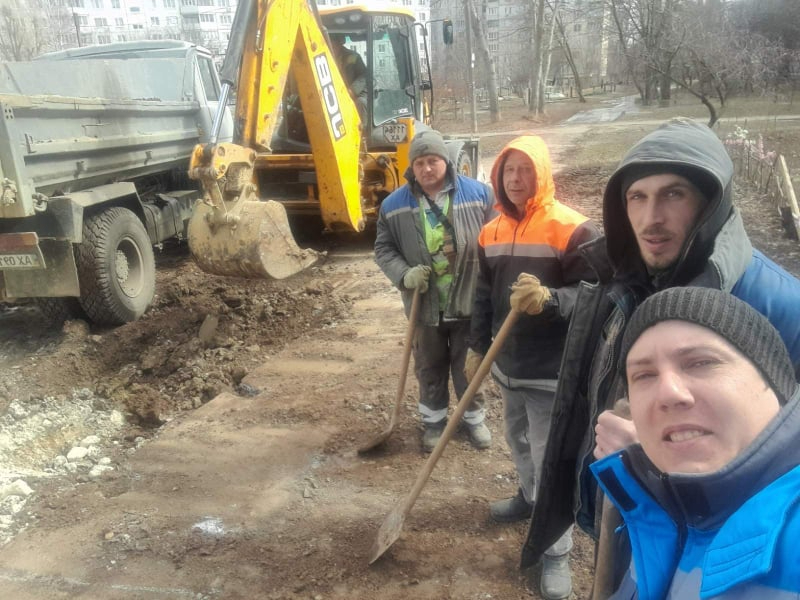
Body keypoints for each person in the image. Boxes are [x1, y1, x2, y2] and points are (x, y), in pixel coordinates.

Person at [521, 118, 800, 576]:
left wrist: (656, 464)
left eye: (674, 194)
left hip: (726, 553)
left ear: (711, 203)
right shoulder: (619, 288)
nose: (651, 219)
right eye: (637, 197)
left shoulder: (779, 305)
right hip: (625, 516)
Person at [592, 286, 800, 599]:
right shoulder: (661, 507)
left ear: (772, 381)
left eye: (701, 363)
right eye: (644, 375)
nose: (668, 393)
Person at [465, 135, 601, 600]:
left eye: (525, 170)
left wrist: (552, 299)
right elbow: (482, 295)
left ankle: (555, 550)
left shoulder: (572, 228)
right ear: (498, 176)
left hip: (552, 370)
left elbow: (597, 295)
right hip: (509, 367)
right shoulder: (492, 228)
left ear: (541, 174)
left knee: (549, 459)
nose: (517, 179)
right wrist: (476, 348)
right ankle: (528, 497)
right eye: (509, 170)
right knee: (517, 439)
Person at [375, 129, 495, 453]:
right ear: (411, 168)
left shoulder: (479, 195)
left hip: (468, 300)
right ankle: (434, 423)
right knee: (429, 365)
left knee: (468, 364)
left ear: (446, 161)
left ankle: (474, 420)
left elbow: (498, 240)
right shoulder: (393, 205)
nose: (427, 169)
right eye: (419, 163)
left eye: (433, 161)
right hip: (424, 303)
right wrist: (405, 274)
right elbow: (383, 249)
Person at [329, 33, 368, 111]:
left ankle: (363, 123)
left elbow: (364, 76)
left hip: (355, 92)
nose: (332, 48)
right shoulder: (323, 57)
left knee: (361, 102)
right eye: (330, 45)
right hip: (333, 92)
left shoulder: (353, 56)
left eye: (334, 45)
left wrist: (352, 90)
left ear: (340, 44)